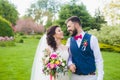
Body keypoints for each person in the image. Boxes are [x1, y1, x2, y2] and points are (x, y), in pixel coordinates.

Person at [65, 16, 104, 80]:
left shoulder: (92, 39)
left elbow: (98, 59)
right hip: (74, 77)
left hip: (90, 77)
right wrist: (70, 64)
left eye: (69, 26)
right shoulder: (69, 40)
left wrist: (100, 77)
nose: (68, 29)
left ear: (76, 25)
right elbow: (68, 57)